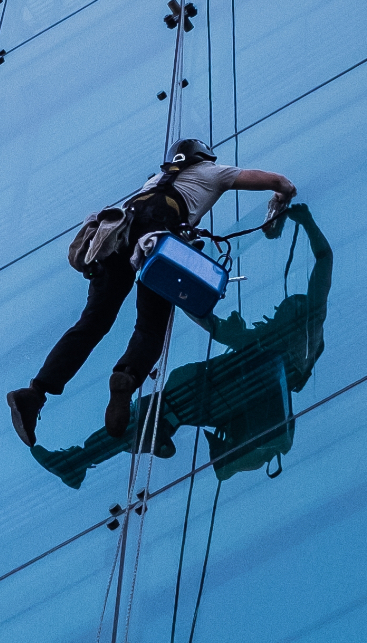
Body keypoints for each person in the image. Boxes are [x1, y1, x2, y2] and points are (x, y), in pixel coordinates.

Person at [6, 138, 297, 445]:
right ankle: (126, 377)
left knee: (92, 323)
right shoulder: (214, 172)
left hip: (116, 240)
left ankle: (35, 392)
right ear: (204, 157)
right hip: (157, 244)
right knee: (150, 328)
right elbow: (277, 181)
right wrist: (283, 193)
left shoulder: (154, 180)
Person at [30, 203, 331, 486]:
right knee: (145, 418)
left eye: (285, 308)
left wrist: (308, 222)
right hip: (209, 394)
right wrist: (181, 289)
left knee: (146, 418)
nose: (277, 312)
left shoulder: (307, 324)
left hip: (217, 394)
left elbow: (323, 261)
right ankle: (82, 460)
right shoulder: (259, 344)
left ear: (301, 310)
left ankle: (85, 460)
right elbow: (214, 325)